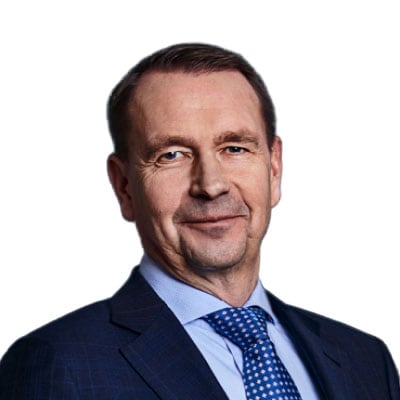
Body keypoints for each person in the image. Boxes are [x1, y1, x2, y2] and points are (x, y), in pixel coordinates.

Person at [0, 43, 399, 400]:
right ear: (124, 187)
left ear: (274, 169)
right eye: (172, 155)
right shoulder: (59, 364)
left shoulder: (366, 360)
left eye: (235, 148)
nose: (211, 185)